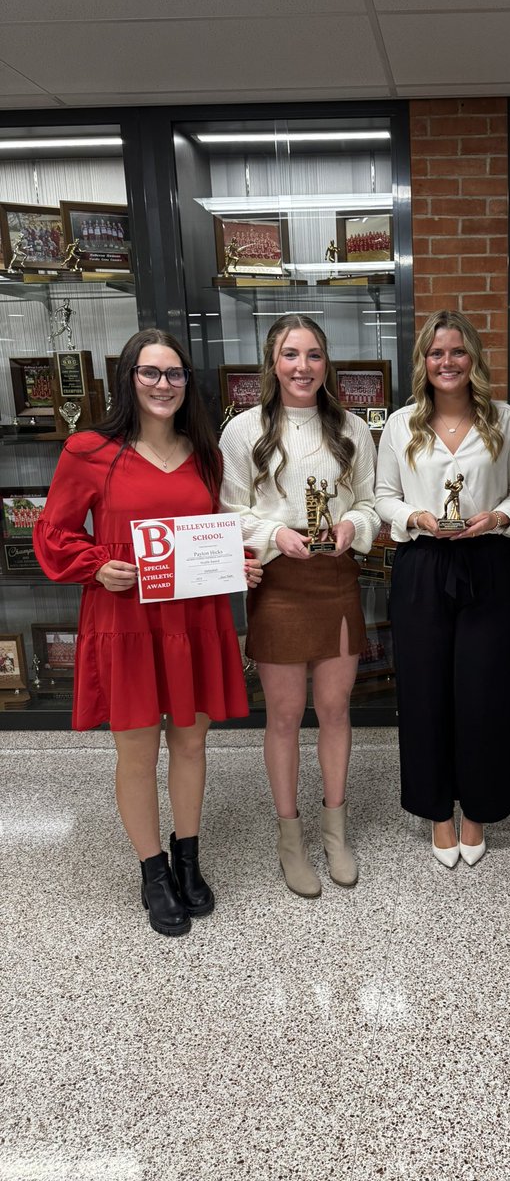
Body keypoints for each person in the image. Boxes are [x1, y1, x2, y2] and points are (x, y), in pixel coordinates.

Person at [34, 328, 261, 938]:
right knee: (136, 751)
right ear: (128, 378)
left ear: (189, 383)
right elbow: (54, 534)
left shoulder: (205, 452)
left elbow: (214, 531)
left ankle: (188, 858)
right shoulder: (88, 450)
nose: (164, 385)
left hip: (192, 618)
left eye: (175, 374)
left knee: (190, 744)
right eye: (151, 373)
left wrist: (236, 560)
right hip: (125, 618)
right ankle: (152, 872)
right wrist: (93, 566)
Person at [218, 314, 379, 898]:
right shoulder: (243, 432)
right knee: (285, 716)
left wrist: (351, 526)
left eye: (313, 355)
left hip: (335, 579)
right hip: (278, 585)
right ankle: (291, 838)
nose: (302, 366)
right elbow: (228, 509)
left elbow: (370, 504)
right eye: (291, 355)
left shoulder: (353, 430)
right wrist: (273, 534)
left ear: (326, 363)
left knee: (335, 709)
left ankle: (335, 830)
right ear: (273, 362)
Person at [375, 310, 510, 868]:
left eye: (458, 351)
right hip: (422, 563)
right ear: (423, 361)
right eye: (437, 353)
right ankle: (438, 813)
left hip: (487, 563)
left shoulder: (504, 420)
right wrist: (415, 515)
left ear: (474, 360)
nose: (448, 362)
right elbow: (382, 497)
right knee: (424, 693)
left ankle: (477, 813)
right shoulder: (401, 424)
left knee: (484, 692)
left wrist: (498, 518)